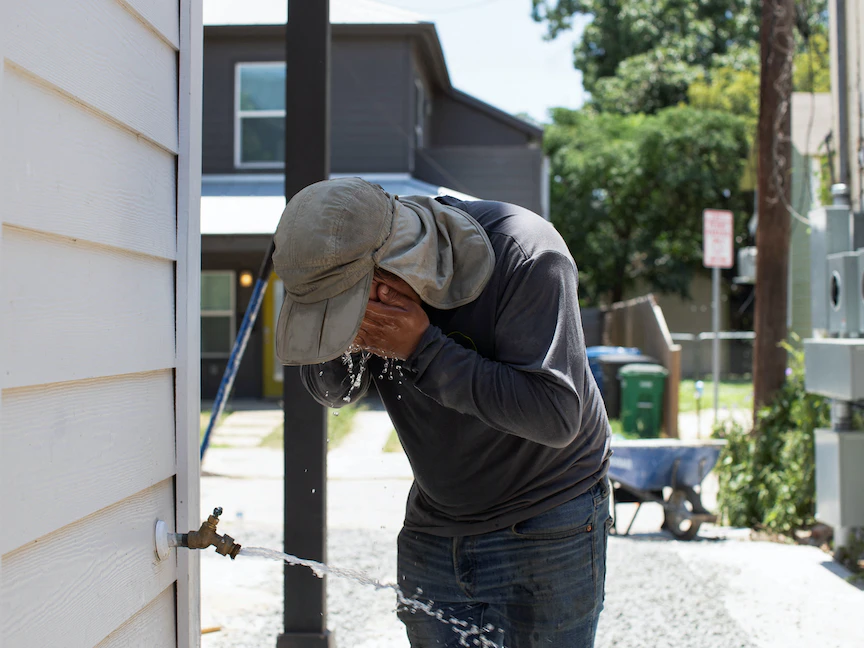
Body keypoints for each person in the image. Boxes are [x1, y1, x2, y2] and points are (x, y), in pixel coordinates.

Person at [273, 177, 612, 648]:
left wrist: (420, 348)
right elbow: (334, 392)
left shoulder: (526, 253)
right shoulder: (349, 266)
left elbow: (554, 415)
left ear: (395, 265)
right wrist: (341, 337)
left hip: (547, 514)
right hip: (435, 523)